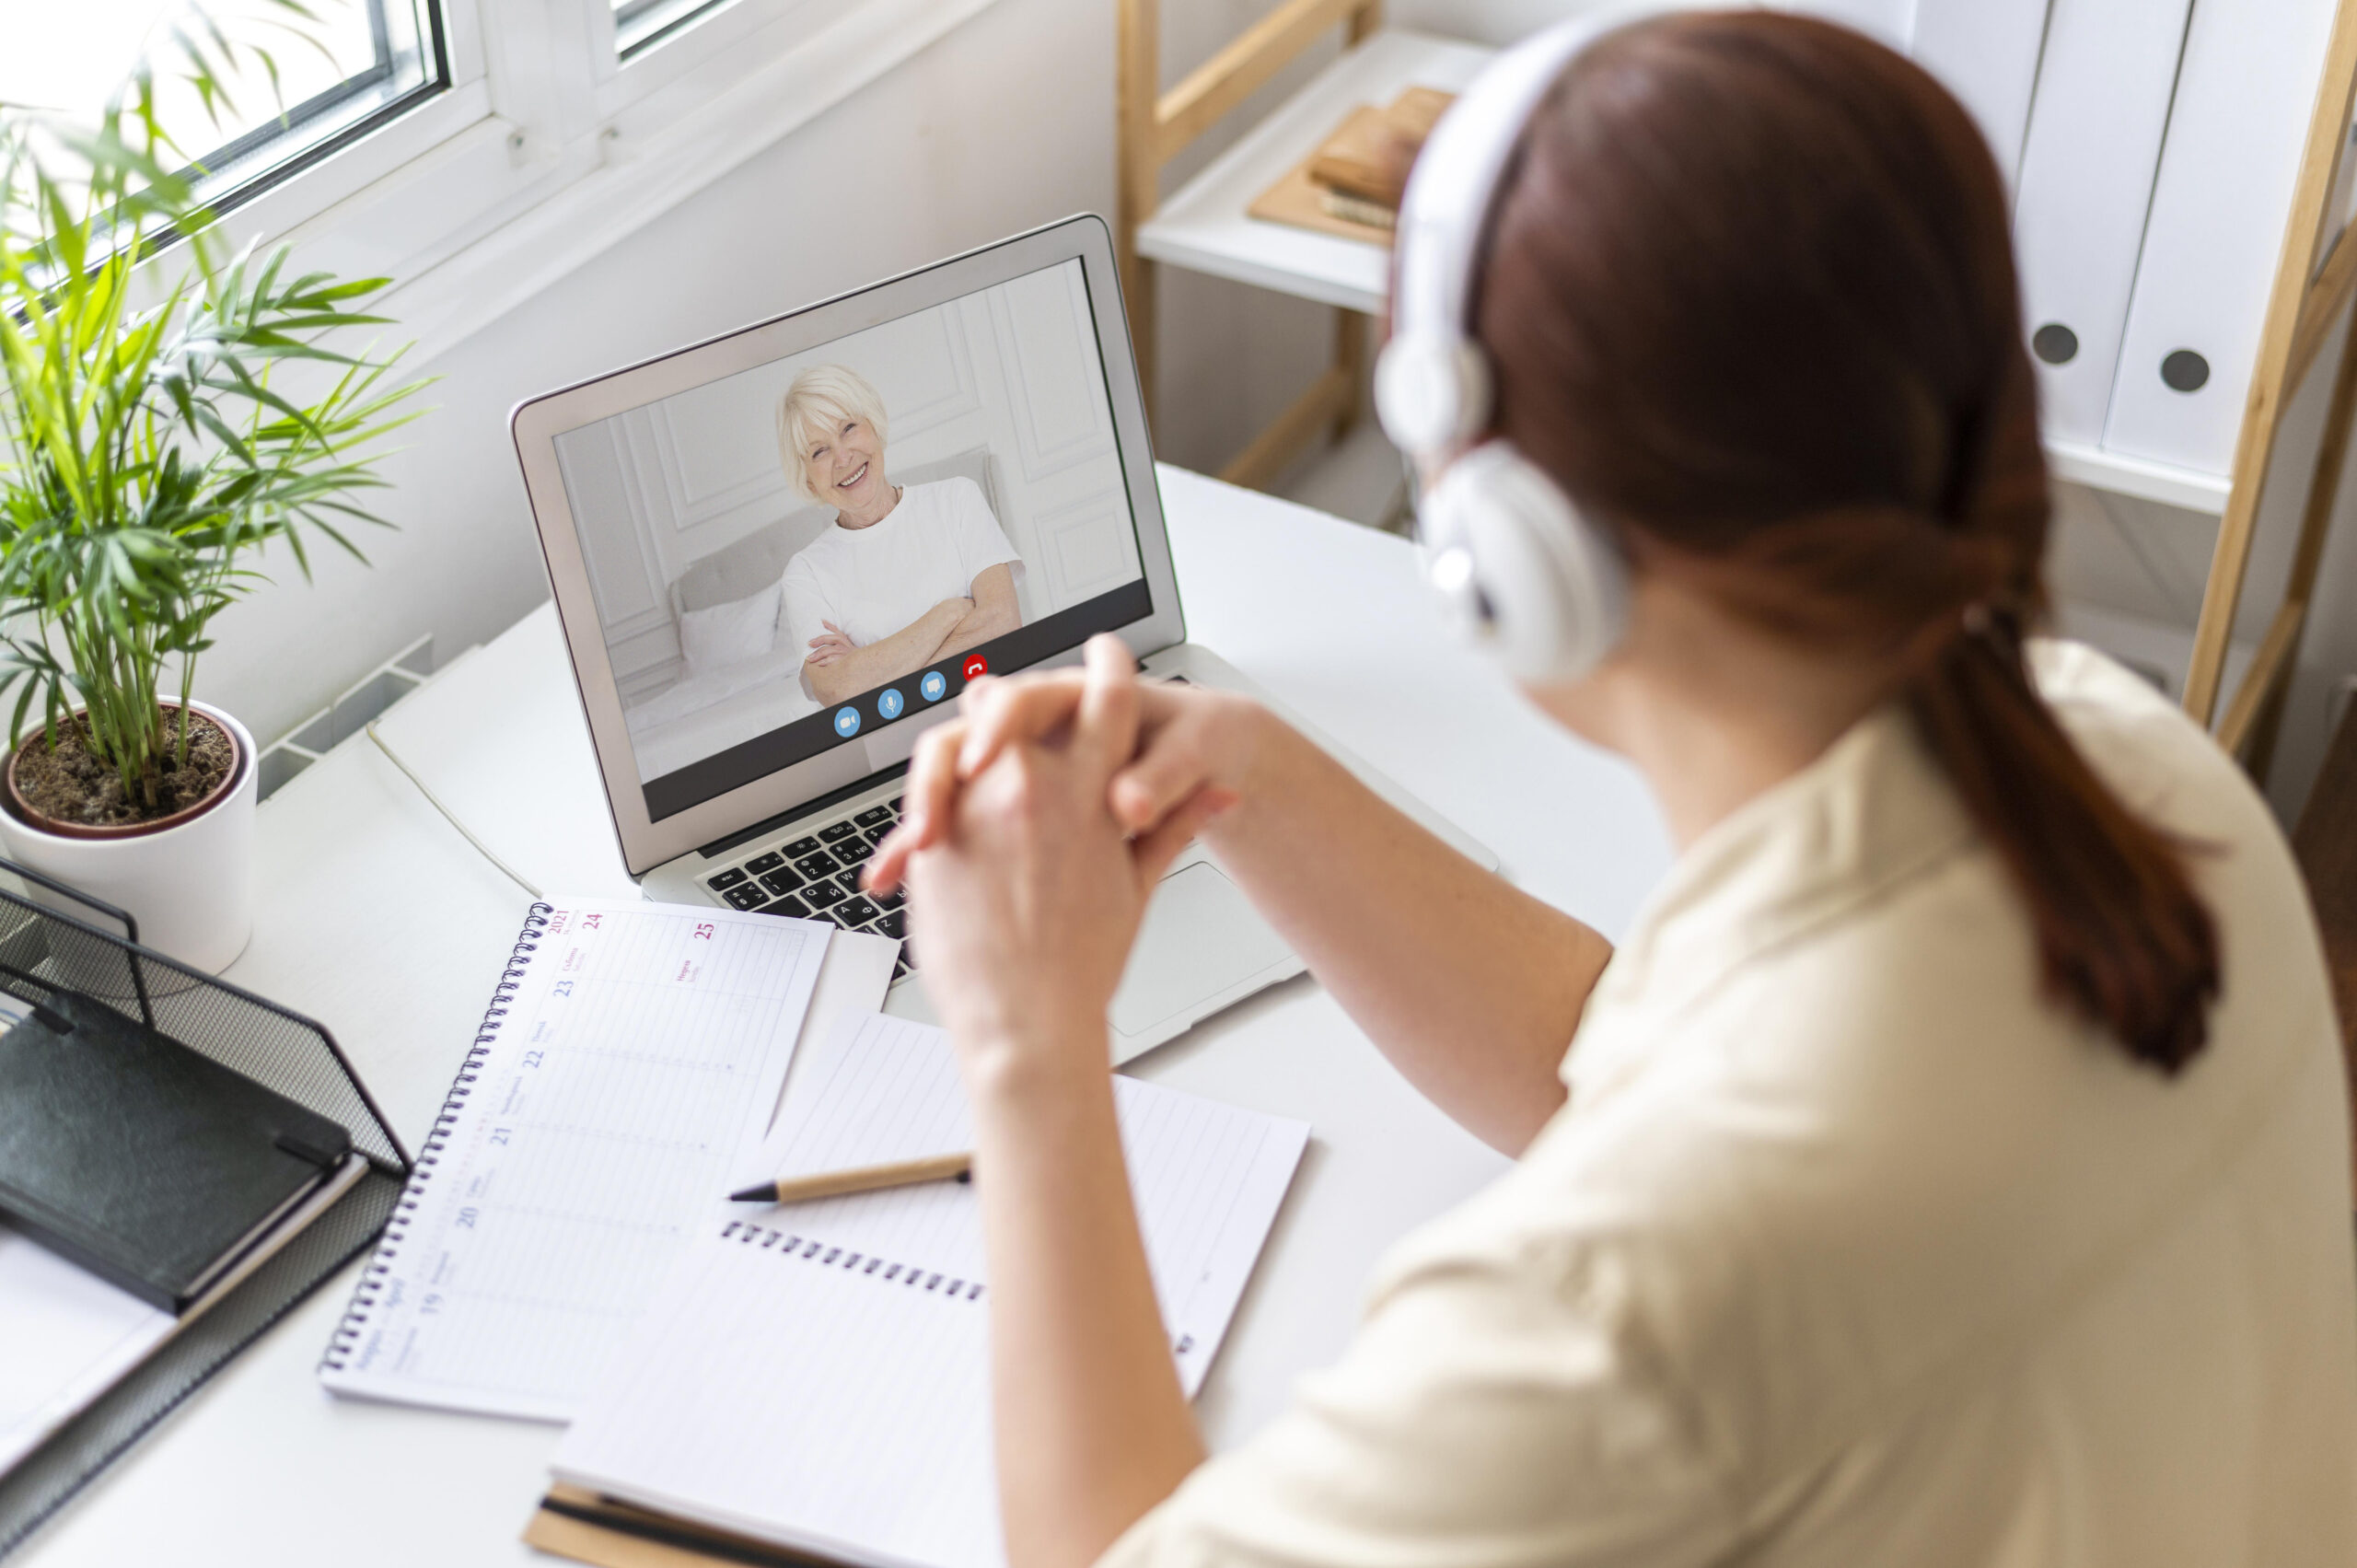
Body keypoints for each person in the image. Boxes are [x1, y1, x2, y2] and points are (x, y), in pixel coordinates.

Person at [868, 12, 2357, 1568]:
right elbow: (1612, 1063)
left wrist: (1029, 1048)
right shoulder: (2123, 762)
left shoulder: (1640, 1298)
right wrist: (1256, 778)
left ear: (1515, 544)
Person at [773, 363, 1025, 705]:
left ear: (874, 426)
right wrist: (948, 614)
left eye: (848, 428)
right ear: (807, 478)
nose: (843, 457)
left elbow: (1002, 621)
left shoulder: (956, 499)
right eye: (820, 451)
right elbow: (836, 687)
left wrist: (873, 670)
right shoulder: (805, 574)